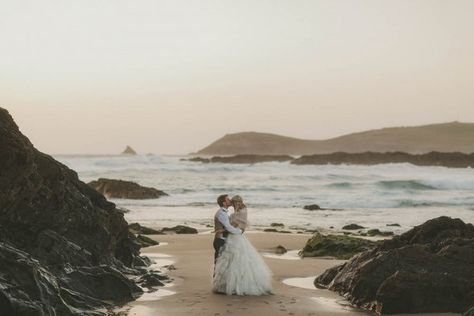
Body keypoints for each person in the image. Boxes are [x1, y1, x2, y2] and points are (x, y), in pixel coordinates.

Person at [212, 195, 273, 295]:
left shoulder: (230, 213)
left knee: (227, 262)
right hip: (221, 239)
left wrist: (238, 230)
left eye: (231, 200)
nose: (230, 201)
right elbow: (228, 227)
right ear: (223, 203)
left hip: (229, 238)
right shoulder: (222, 213)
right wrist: (238, 231)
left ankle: (222, 285)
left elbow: (231, 226)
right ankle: (219, 285)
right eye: (228, 199)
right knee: (221, 263)